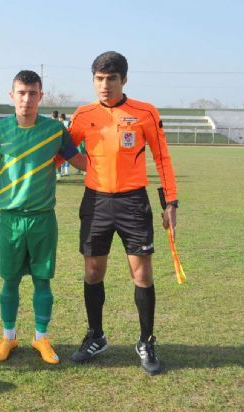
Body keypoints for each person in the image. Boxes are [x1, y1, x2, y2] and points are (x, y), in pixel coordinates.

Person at [0, 70, 85, 365]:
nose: (26, 99)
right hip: (10, 219)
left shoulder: (55, 130)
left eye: (32, 93)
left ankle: (41, 338)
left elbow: (78, 160)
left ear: (40, 96)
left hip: (43, 218)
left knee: (43, 281)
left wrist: (114, 162)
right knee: (10, 281)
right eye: (21, 93)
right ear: (12, 95)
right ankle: (8, 336)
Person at [67, 51, 178, 375]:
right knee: (93, 271)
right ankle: (96, 336)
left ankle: (146, 341)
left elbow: (162, 158)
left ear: (124, 80)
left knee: (142, 274)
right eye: (99, 79)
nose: (105, 85)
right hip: (96, 201)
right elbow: (64, 152)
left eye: (111, 79)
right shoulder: (83, 114)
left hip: (133, 202)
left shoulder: (145, 112)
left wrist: (171, 202)